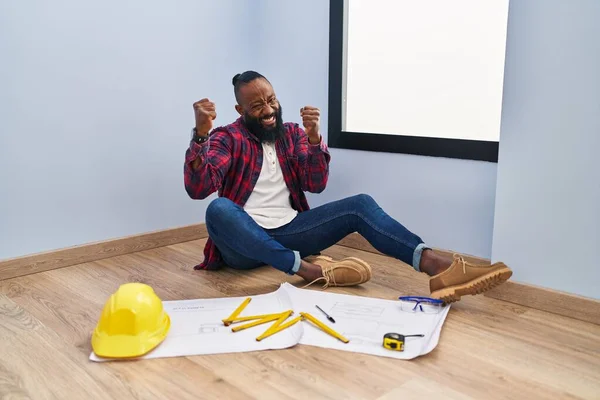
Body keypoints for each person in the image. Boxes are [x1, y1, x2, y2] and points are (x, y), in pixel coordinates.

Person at [183, 71, 512, 303]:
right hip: (244, 247)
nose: (269, 111)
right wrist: (200, 135)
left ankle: (435, 266)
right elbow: (199, 187)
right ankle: (308, 270)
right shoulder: (226, 137)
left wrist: (314, 141)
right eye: (257, 106)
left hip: (290, 231)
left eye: (271, 100)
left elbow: (317, 184)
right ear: (241, 111)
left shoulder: (292, 132)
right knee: (218, 209)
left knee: (361, 204)